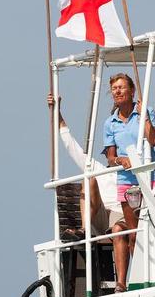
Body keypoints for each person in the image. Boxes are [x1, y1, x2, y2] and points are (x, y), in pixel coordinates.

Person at [47, 94, 125, 282]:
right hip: (100, 215)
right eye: (110, 150)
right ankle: (84, 228)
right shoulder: (97, 168)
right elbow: (69, 143)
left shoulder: (132, 172)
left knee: (119, 226)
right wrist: (56, 111)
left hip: (121, 216)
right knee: (88, 178)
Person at [102, 73, 155, 291]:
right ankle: (138, 278)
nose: (117, 92)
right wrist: (120, 159)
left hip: (149, 177)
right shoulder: (110, 123)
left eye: (121, 88)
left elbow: (154, 140)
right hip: (127, 181)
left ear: (131, 91)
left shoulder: (145, 112)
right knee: (133, 232)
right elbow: (110, 157)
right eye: (114, 89)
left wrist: (143, 115)